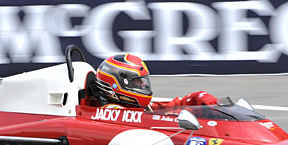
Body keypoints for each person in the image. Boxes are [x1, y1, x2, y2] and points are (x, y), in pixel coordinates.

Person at [81, 53, 219, 111]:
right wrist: (194, 112)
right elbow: (160, 119)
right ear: (117, 84)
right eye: (137, 82)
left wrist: (194, 99)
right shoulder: (112, 112)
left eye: (143, 81)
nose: (143, 85)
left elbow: (161, 108)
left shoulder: (131, 107)